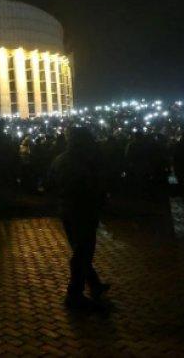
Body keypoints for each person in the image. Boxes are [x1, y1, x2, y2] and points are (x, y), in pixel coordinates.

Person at [47, 127, 110, 311]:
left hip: (67, 210)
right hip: (82, 211)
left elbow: (49, 183)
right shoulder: (81, 162)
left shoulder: (60, 159)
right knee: (83, 251)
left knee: (80, 249)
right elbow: (91, 186)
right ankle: (74, 294)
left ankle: (94, 284)